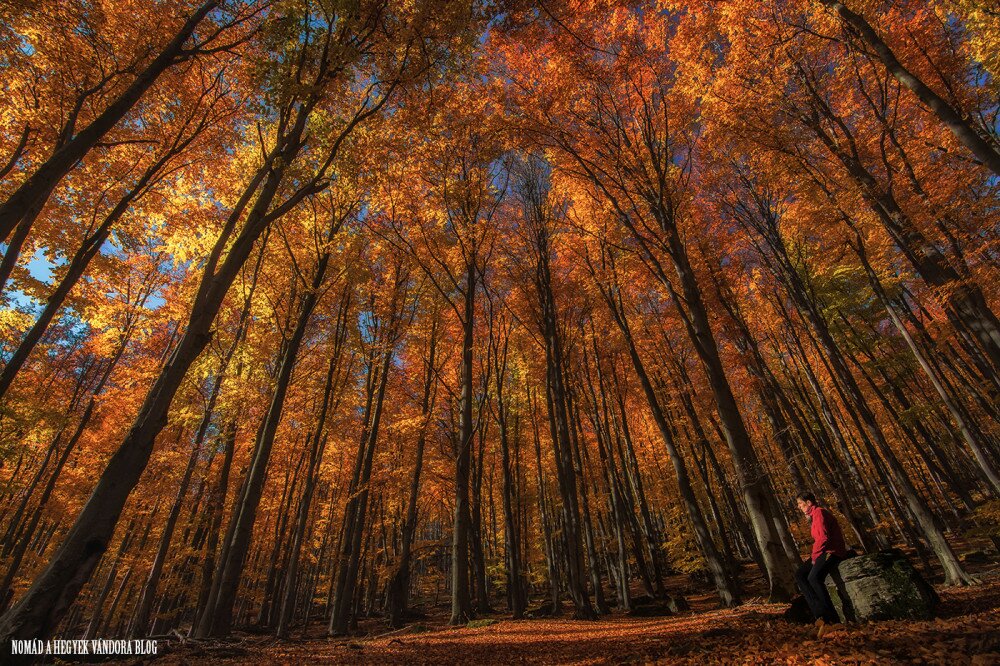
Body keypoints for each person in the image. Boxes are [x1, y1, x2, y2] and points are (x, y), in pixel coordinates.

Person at [795, 491, 849, 638]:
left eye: (800, 504)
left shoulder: (819, 513)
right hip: (824, 551)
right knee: (800, 574)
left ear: (809, 503)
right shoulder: (814, 516)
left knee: (814, 578)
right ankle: (819, 615)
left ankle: (830, 618)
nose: (799, 507)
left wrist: (814, 557)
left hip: (832, 551)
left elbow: (823, 538)